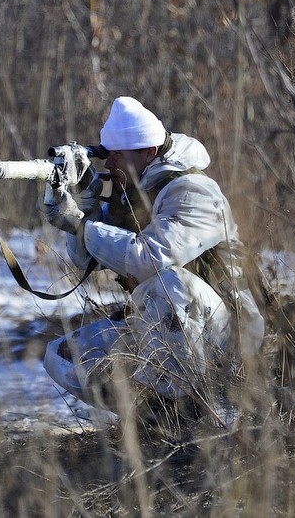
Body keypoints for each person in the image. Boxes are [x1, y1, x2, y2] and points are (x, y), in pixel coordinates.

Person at [41, 96, 265, 418]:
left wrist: (82, 225)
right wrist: (82, 207)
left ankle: (188, 412)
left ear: (149, 151)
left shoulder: (194, 191)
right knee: (63, 356)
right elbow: (85, 259)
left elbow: (149, 258)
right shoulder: (135, 192)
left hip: (231, 338)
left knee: (168, 282)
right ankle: (150, 415)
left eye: (118, 155)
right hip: (172, 328)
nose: (109, 164)